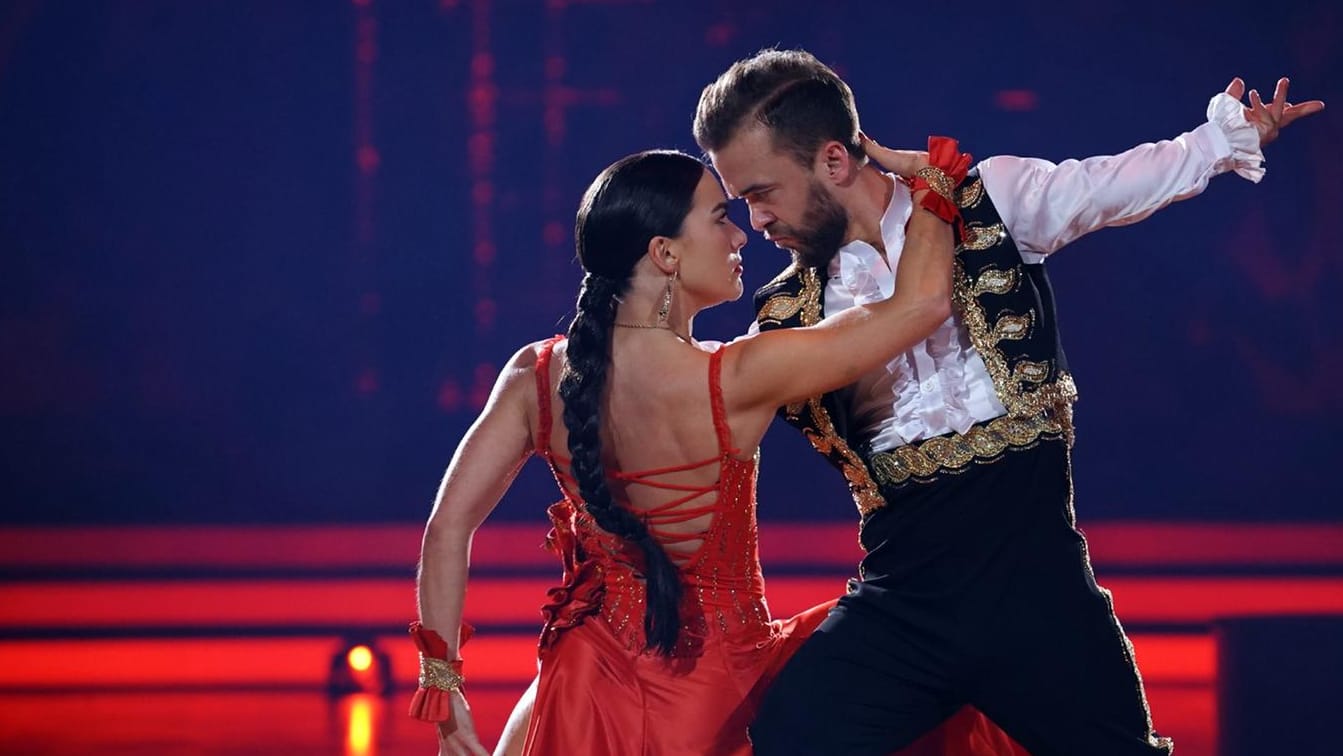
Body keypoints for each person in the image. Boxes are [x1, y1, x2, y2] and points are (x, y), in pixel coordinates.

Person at [693, 48, 1325, 755]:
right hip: (903, 605)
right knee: (788, 738)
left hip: (1041, 599)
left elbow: (1105, 184)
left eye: (759, 193)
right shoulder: (786, 314)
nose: (756, 220)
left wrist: (1219, 141)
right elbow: (703, 396)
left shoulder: (987, 199)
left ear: (834, 162)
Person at [412, 146, 1026, 756]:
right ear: (665, 253)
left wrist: (444, 687)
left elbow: (446, 528)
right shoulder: (736, 376)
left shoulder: (535, 375)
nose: (741, 234)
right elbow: (920, 304)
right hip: (720, 699)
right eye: (717, 217)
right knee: (938, 658)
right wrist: (933, 186)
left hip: (581, 693)